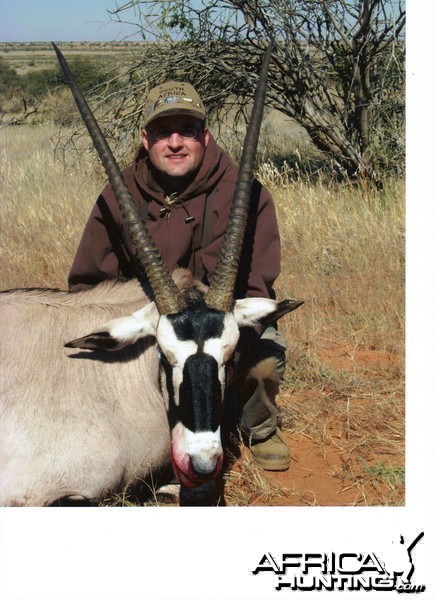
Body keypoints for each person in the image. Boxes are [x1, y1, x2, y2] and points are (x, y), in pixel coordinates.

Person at [68, 80, 290, 471]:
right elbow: (87, 287)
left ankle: (259, 428)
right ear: (145, 138)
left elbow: (258, 284)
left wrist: (227, 351)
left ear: (205, 135)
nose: (174, 142)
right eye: (162, 131)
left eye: (187, 130)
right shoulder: (117, 194)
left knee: (267, 355)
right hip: (153, 328)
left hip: (222, 328)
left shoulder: (247, 193)